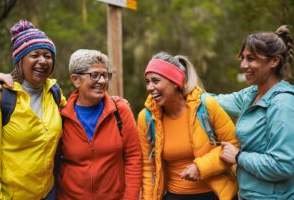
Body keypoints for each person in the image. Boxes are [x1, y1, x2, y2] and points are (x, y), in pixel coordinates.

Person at [137, 52, 238, 200]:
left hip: (215, 194)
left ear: (175, 82)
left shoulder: (206, 106)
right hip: (174, 196)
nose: (150, 87)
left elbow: (233, 144)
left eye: (156, 81)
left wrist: (201, 167)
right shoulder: (146, 118)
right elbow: (148, 167)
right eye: (147, 81)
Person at [218, 25, 294, 200]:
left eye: (251, 59)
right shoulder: (252, 94)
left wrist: (239, 157)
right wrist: (184, 87)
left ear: (274, 61)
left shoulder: (283, 104)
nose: (244, 65)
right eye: (243, 58)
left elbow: (283, 164)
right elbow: (215, 101)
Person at [0, 19, 66, 199]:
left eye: (48, 56)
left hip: (48, 192)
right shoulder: (1, 96)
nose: (43, 61)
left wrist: (111, 101)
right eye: (35, 55)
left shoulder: (54, 92)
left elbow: (78, 109)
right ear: (20, 60)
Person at [56, 49, 142, 199]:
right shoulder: (62, 117)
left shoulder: (120, 111)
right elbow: (52, 163)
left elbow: (133, 158)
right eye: (95, 75)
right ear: (76, 79)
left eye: (105, 75)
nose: (102, 81)